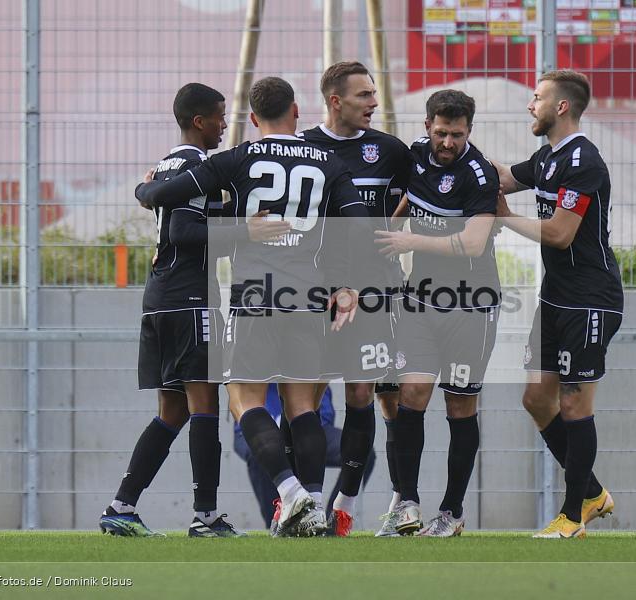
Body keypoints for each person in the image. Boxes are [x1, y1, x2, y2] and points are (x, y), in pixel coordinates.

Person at [135, 76, 369, 537]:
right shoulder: (328, 161)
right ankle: (313, 504)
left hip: (256, 293)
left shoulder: (238, 158)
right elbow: (360, 225)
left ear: (254, 118)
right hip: (309, 295)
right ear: (297, 112)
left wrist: (145, 192)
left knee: (245, 400)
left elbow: (167, 195)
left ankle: (292, 493)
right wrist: (348, 285)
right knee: (302, 405)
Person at [99, 83, 287, 538]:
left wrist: (233, 217)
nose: (225, 125)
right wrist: (246, 233)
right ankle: (206, 516)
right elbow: (183, 231)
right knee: (204, 406)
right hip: (190, 299)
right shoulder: (195, 166)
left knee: (173, 411)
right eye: (220, 116)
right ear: (199, 121)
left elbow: (185, 216)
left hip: (160, 299)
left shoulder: (168, 165)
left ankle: (121, 506)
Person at [493, 69, 622, 538]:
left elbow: (561, 233)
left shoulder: (584, 161)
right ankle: (593, 491)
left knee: (573, 404)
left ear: (561, 106)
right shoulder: (547, 157)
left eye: (537, 97)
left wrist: (506, 219)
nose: (530, 105)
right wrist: (447, 153)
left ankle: (571, 517)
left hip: (590, 300)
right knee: (535, 398)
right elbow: (503, 178)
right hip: (555, 297)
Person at [374, 90, 500, 537]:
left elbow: (474, 243)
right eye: (442, 132)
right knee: (410, 395)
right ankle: (407, 505)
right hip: (420, 301)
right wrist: (394, 220)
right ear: (428, 126)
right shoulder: (414, 157)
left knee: (459, 404)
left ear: (469, 131)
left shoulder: (479, 174)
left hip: (471, 305)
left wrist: (411, 241)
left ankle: (452, 512)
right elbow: (409, 196)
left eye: (457, 135)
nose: (448, 142)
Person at [299, 61, 412, 536]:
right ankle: (303, 505)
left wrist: (395, 230)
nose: (374, 103)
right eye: (364, 95)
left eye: (373, 93)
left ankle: (343, 507)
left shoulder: (390, 150)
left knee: (365, 392)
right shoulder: (303, 147)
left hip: (376, 291)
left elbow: (428, 184)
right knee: (307, 394)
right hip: (315, 290)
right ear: (335, 100)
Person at [232, 384, 375, 533]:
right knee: (298, 406)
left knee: (293, 404)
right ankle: (300, 509)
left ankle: (311, 505)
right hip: (273, 421)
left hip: (306, 421)